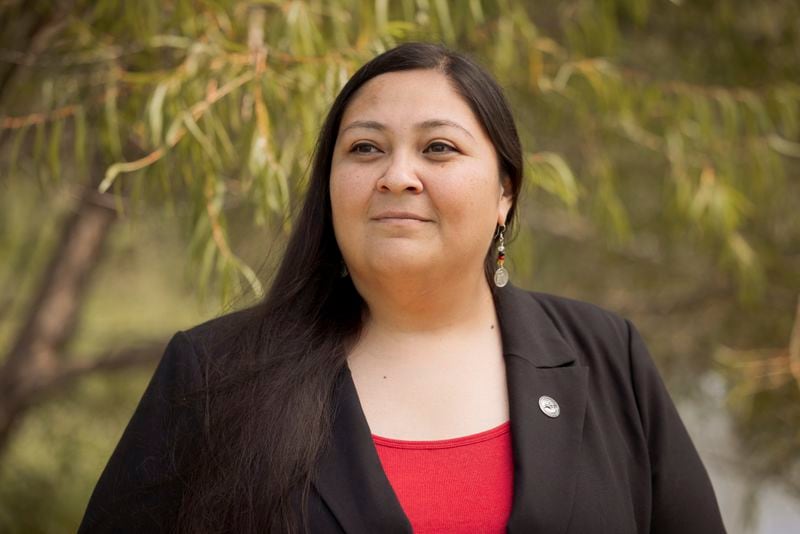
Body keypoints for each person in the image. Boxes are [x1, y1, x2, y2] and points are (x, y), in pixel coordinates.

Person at [78, 42, 726, 534]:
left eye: (438, 148)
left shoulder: (606, 355)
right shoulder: (214, 376)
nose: (398, 176)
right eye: (365, 149)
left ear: (505, 192)